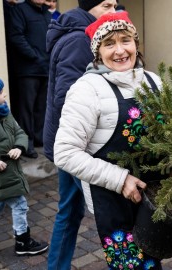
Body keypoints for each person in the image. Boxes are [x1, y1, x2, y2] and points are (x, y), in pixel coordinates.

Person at [54, 11, 165, 269]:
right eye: (109, 44)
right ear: (98, 52)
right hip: (114, 201)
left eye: (125, 40)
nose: (119, 50)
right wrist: (120, 179)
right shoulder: (87, 89)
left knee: (153, 259)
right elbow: (65, 152)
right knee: (130, 266)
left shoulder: (154, 81)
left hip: (155, 196)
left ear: (136, 43)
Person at [44, 1, 117, 269]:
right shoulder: (79, 39)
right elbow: (67, 97)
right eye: (106, 4)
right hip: (79, 145)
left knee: (70, 211)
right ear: (90, 6)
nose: (113, 8)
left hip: (68, 141)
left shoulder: (77, 31)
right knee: (110, 210)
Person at [0, 73, 49, 257]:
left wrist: (19, 146)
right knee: (19, 204)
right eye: (0, 93)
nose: (4, 95)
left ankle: (22, 241)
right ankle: (23, 241)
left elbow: (19, 132)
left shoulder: (4, 112)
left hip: (11, 171)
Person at [6, 0, 51, 158]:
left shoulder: (47, 12)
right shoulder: (19, 10)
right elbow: (16, 36)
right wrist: (34, 56)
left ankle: (39, 140)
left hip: (46, 69)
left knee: (41, 108)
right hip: (28, 70)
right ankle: (26, 144)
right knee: (27, 109)